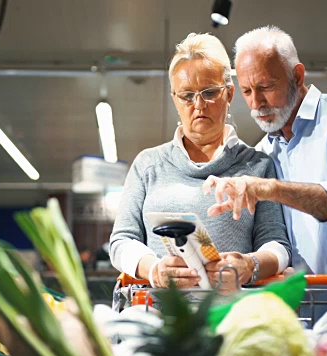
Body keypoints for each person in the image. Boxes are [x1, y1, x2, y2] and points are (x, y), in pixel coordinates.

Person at [202, 26, 327, 356]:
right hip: (302, 331)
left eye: (266, 87)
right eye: (247, 91)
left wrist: (270, 188)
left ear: (297, 75)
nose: (257, 103)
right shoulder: (265, 154)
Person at [109, 33, 291, 291]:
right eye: (186, 95)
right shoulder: (148, 165)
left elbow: (278, 245)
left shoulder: (257, 166)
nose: (198, 105)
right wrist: (153, 269)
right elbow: (121, 241)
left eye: (209, 93)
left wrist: (250, 265)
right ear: (175, 99)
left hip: (231, 318)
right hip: (158, 314)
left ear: (228, 94)